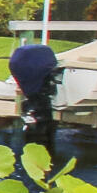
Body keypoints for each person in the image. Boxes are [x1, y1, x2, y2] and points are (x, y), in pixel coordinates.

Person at [7, 35, 60, 171]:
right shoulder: (46, 82)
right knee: (43, 120)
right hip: (41, 110)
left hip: (35, 104)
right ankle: (46, 161)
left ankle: (35, 161)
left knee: (39, 118)